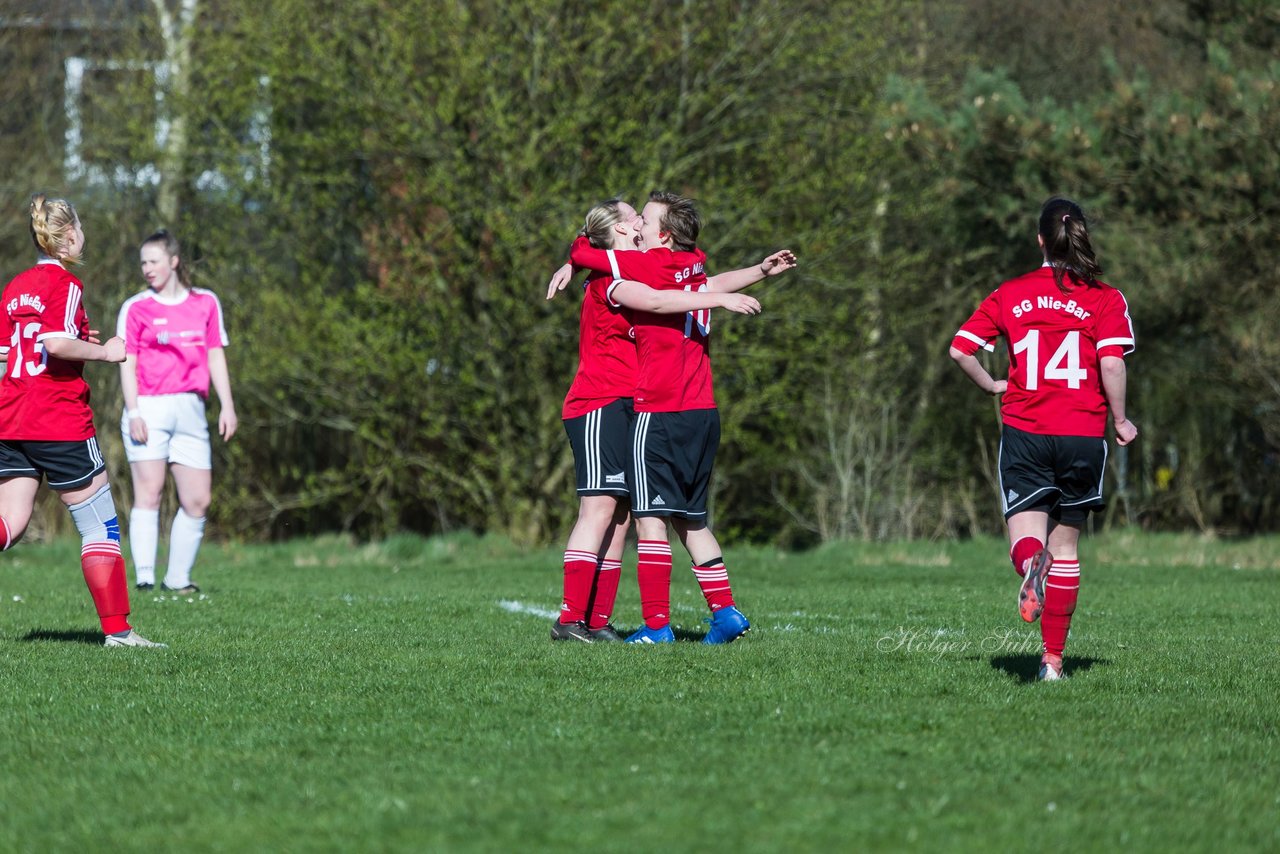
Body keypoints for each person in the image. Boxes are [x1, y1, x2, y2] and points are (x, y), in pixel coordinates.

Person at [564, 190, 797, 644]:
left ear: (663, 235)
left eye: (645, 221)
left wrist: (576, 258)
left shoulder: (648, 266)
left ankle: (655, 629)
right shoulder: (689, 266)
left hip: (660, 409)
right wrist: (755, 275)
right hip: (703, 412)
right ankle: (726, 614)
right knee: (692, 520)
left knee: (650, 519)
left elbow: (649, 297)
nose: (638, 226)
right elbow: (705, 283)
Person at [949, 196, 1136, 681]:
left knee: (1028, 540)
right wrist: (1120, 419)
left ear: (1039, 240)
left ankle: (1033, 565)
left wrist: (992, 383)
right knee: (1069, 550)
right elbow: (1112, 362)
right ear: (1080, 237)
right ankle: (1053, 663)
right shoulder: (1105, 297)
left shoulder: (1011, 293)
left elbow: (960, 349)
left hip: (1027, 430)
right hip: (1081, 433)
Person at [0, 194, 165, 647]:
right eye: (81, 226)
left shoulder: (15, 286)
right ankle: (119, 633)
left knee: (10, 522)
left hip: (11, 419)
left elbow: (8, 353)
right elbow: (54, 344)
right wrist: (106, 351)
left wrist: (74, 340)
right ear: (68, 235)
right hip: (57, 419)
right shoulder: (65, 284)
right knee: (100, 527)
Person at [117, 230, 236, 595]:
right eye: (142, 262)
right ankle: (146, 578)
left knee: (198, 499)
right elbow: (127, 363)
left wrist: (227, 405)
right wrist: (134, 411)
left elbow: (215, 354)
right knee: (149, 493)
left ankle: (178, 579)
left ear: (173, 261)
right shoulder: (136, 307)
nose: (146, 268)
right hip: (149, 407)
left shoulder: (206, 303)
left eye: (153, 261)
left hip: (192, 409)